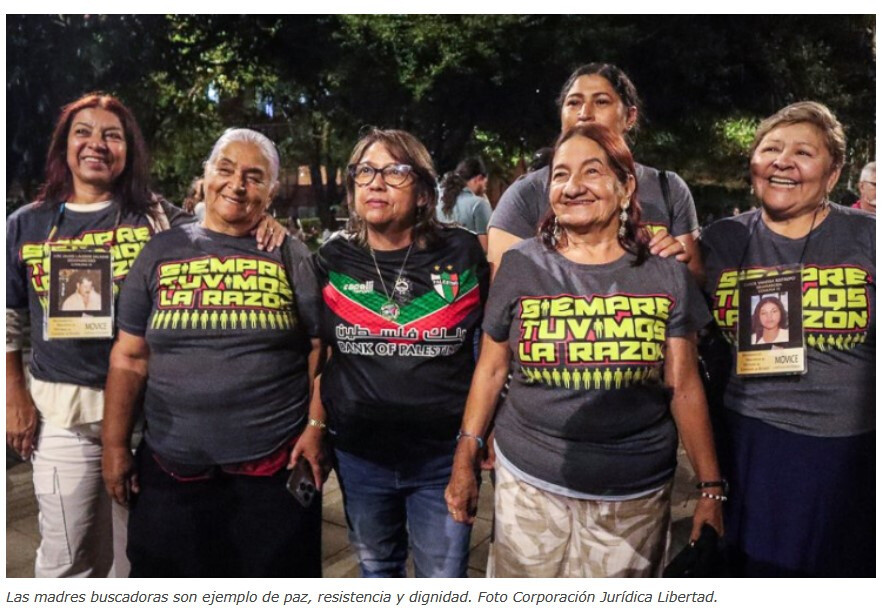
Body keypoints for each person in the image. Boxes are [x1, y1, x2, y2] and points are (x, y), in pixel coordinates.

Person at [5, 93, 284, 579]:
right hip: (67, 414)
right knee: (66, 558)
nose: (97, 144)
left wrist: (265, 217)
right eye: (83, 132)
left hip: (150, 417)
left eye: (112, 135)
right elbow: (7, 317)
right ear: (64, 145)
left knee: (141, 559)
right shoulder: (27, 224)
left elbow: (222, 221)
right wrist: (13, 395)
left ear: (129, 149)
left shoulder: (159, 217)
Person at [446, 124, 723, 578]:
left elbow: (684, 386)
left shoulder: (666, 275)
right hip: (527, 487)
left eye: (591, 172)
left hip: (632, 498)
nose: (572, 187)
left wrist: (711, 489)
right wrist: (465, 453)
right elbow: (493, 368)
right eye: (559, 175)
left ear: (625, 185)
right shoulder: (520, 265)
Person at [101, 128, 323, 577]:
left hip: (271, 470)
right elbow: (129, 357)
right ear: (205, 176)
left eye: (254, 176)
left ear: (271, 191)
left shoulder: (290, 255)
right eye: (225, 169)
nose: (237, 184)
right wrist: (114, 445)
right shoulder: (160, 252)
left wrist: (317, 426)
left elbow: (321, 348)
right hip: (172, 468)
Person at [298, 128, 489, 577]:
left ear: (423, 193)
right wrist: (314, 425)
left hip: (443, 457)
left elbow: (488, 349)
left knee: (443, 580)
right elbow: (324, 355)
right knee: (377, 569)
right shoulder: (332, 259)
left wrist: (478, 440)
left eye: (394, 171)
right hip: (361, 458)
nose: (375, 182)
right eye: (364, 171)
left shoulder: (461, 252)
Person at [701, 101, 875, 576]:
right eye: (771, 148)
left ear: (834, 171)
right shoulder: (719, 242)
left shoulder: (869, 238)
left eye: (804, 152)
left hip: (847, 451)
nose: (783, 161)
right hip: (749, 442)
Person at [487, 62, 700, 277]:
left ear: (630, 117)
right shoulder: (525, 194)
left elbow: (695, 281)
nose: (584, 113)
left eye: (601, 102)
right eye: (573, 103)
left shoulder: (668, 188)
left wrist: (675, 264)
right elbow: (504, 290)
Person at [437, 157, 493, 250]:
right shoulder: (479, 204)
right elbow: (486, 248)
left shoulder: (438, 202)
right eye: (485, 184)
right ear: (478, 178)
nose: (485, 189)